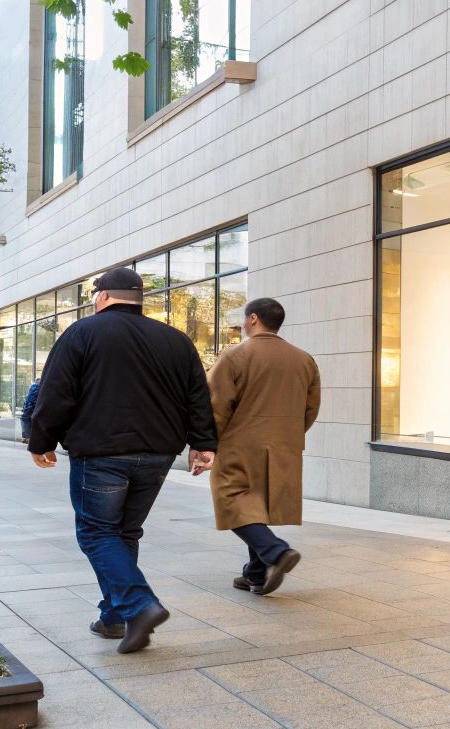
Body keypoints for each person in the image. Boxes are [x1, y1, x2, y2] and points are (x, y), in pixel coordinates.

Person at [28, 266, 217, 654]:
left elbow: (56, 391)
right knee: (124, 534)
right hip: (158, 454)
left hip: (101, 453)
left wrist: (41, 440)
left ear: (101, 297)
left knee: (97, 533)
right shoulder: (176, 340)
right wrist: (203, 443)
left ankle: (139, 605)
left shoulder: (82, 332)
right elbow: (197, 396)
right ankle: (115, 618)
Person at [208, 297, 320, 596]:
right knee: (255, 506)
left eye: (244, 319)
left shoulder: (234, 356)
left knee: (231, 500)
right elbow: (310, 409)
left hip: (239, 445)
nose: (243, 325)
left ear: (254, 319)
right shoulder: (304, 359)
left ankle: (276, 552)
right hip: (284, 446)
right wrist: (287, 435)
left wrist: (207, 445)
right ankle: (256, 573)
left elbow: (217, 406)